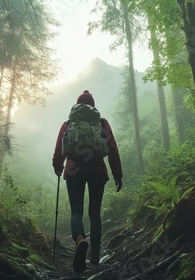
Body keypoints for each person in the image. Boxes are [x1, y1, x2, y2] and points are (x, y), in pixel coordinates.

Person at [52, 90, 123, 272]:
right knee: (94, 212)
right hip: (97, 170)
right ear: (93, 105)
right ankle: (95, 255)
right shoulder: (101, 123)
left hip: (74, 169)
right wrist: (117, 174)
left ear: (77, 105)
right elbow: (113, 149)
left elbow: (59, 147)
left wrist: (58, 167)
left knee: (76, 210)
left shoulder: (69, 123)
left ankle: (80, 239)